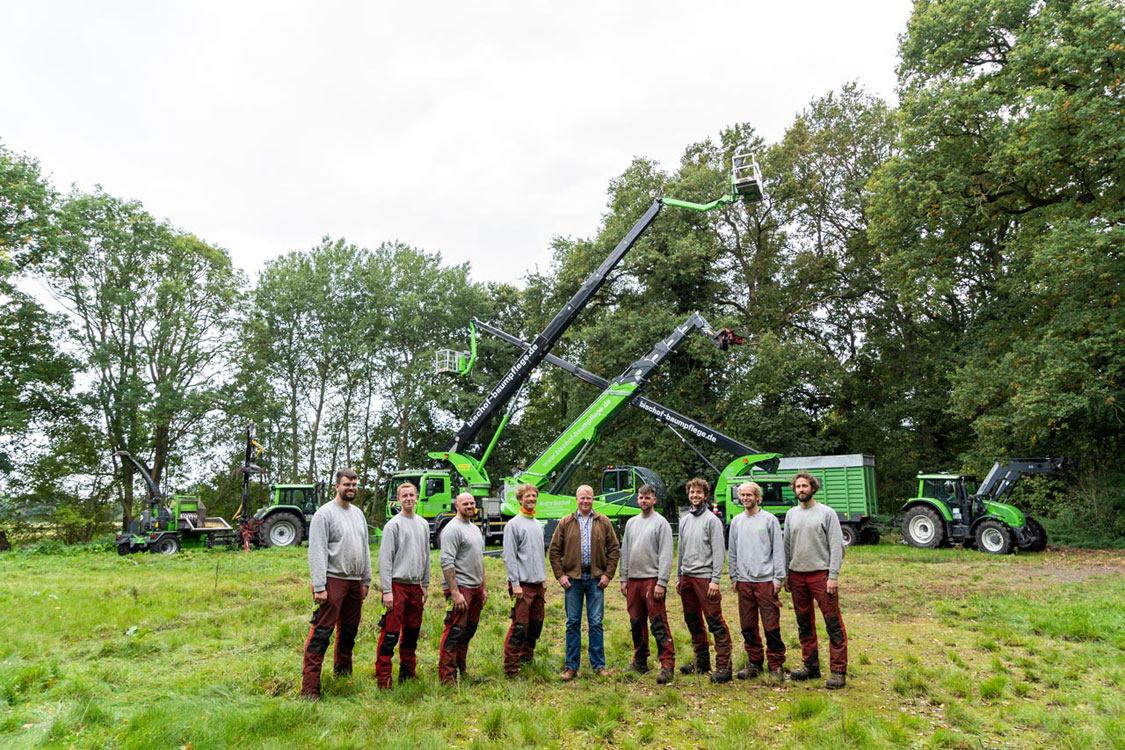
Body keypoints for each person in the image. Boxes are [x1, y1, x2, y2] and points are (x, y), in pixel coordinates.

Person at [301, 468, 371, 699]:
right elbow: (317, 552)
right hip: (332, 580)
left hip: (354, 581)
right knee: (322, 633)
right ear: (336, 486)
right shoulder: (324, 515)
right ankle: (310, 689)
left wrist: (366, 580)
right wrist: (319, 586)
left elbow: (364, 549)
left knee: (349, 632)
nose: (350, 488)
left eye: (353, 484)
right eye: (346, 484)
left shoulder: (358, 514)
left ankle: (342, 677)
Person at [784, 471, 848, 689]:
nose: (801, 490)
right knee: (804, 623)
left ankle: (838, 670)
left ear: (813, 487)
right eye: (798, 487)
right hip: (796, 575)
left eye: (805, 486)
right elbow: (786, 546)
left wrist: (833, 575)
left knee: (832, 623)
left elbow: (837, 546)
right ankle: (810, 666)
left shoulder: (826, 513)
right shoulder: (791, 514)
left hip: (821, 575)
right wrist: (786, 574)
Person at [549, 484, 620, 680]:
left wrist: (608, 575)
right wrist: (560, 575)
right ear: (576, 500)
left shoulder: (603, 522)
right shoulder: (566, 522)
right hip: (573, 581)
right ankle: (571, 667)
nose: (585, 501)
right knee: (573, 623)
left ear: (593, 499)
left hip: (596, 580)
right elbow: (554, 551)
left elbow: (614, 549)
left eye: (589, 498)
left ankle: (599, 665)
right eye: (582, 498)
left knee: (596, 623)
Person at [728, 481, 787, 683]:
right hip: (744, 580)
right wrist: (734, 576)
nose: (745, 498)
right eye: (742, 495)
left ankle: (776, 664)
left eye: (749, 495)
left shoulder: (769, 520)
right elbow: (733, 551)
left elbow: (778, 550)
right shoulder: (736, 521)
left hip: (765, 581)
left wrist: (778, 577)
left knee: (771, 625)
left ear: (758, 497)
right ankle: (754, 662)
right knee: (747, 625)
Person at [676, 477, 733, 683]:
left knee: (715, 621)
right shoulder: (684, 520)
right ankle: (701, 661)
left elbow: (719, 552)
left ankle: (724, 666)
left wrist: (715, 580)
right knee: (693, 621)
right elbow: (681, 551)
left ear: (705, 496)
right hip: (687, 578)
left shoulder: (712, 520)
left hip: (705, 579)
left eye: (698, 493)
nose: (695, 496)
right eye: (692, 492)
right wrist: (679, 577)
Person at [374, 482, 430, 689]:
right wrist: (386, 590)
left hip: (415, 587)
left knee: (412, 633)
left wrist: (425, 584)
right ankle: (383, 679)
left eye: (411, 495)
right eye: (404, 495)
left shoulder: (423, 524)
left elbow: (426, 557)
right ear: (399, 499)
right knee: (390, 633)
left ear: (417, 497)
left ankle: (408, 675)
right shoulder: (393, 525)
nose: (408, 498)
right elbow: (385, 559)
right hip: (397, 586)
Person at [619, 484, 676, 685]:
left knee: (658, 622)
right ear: (638, 499)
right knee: (636, 622)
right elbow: (624, 552)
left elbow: (666, 554)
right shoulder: (631, 524)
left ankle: (667, 663)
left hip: (652, 579)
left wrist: (662, 582)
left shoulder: (661, 523)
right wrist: (623, 578)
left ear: (654, 500)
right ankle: (640, 660)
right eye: (641, 497)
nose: (644, 500)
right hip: (633, 580)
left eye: (648, 497)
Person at [437, 492, 487, 685]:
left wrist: (483, 587)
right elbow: (446, 561)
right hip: (460, 588)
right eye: (465, 503)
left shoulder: (474, 529)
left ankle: (461, 671)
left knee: (468, 631)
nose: (469, 506)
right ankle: (447, 678)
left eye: (472, 503)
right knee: (454, 631)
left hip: (475, 588)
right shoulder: (452, 529)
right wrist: (455, 592)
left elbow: (480, 559)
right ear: (456, 506)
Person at [502, 483, 547, 677]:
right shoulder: (514, 525)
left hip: (538, 585)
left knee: (536, 624)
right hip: (522, 586)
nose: (531, 499)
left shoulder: (538, 524)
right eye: (527, 496)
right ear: (520, 499)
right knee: (519, 626)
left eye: (534, 496)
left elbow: (538, 554)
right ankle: (511, 668)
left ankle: (526, 659)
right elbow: (510, 556)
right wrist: (515, 584)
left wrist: (543, 579)